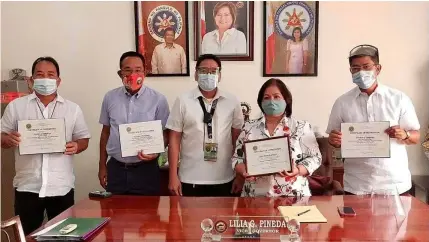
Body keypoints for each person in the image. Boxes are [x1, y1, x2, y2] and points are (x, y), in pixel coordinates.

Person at [1, 57, 91, 235]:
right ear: (31, 80)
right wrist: (7, 140)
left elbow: (84, 139)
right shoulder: (16, 107)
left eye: (51, 75)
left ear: (58, 80)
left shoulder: (73, 109)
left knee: (64, 237)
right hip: (27, 187)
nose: (45, 79)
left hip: (61, 187)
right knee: (28, 236)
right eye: (40, 75)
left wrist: (76, 146)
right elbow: (1, 136)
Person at [326, 44, 421, 195]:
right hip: (357, 185)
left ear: (378, 69)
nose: (361, 72)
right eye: (356, 68)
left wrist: (405, 135)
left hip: (394, 184)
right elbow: (333, 140)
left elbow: (416, 137)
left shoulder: (399, 99)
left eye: (366, 67)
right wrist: (333, 140)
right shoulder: (342, 102)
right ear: (350, 71)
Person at [167, 54, 244, 197]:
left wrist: (239, 176)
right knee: (190, 220)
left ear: (220, 75)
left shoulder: (232, 101)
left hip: (225, 177)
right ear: (195, 74)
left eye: (213, 71)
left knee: (222, 220)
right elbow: (174, 139)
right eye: (203, 70)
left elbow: (237, 140)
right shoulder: (183, 100)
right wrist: (173, 175)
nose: (208, 74)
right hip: (190, 177)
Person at [233, 78, 322, 197]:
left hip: (293, 197)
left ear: (286, 100)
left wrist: (298, 170)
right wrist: (244, 170)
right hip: (255, 198)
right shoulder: (248, 127)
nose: (271, 101)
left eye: (277, 97)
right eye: (266, 97)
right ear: (260, 102)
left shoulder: (301, 127)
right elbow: (236, 158)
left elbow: (315, 158)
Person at [98, 51, 170, 195]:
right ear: (120, 73)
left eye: (138, 70)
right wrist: (102, 166)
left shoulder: (158, 100)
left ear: (145, 73)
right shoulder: (110, 98)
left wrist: (156, 152)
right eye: (127, 70)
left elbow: (166, 134)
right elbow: (105, 132)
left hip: (146, 170)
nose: (133, 74)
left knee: (147, 215)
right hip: (116, 169)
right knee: (116, 214)